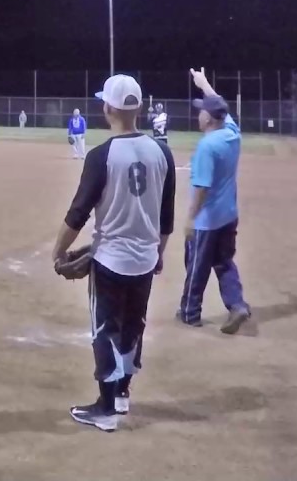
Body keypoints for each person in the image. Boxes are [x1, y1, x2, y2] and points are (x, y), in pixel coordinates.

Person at [52, 74, 175, 432]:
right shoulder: (162, 152)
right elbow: (165, 218)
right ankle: (122, 394)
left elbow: (78, 213)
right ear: (138, 109)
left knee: (105, 329)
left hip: (109, 260)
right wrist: (159, 253)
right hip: (145, 259)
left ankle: (105, 409)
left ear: (108, 109)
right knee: (133, 325)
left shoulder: (101, 155)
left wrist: (58, 252)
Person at [177, 67, 251, 334]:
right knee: (224, 262)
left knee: (197, 266)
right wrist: (204, 83)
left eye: (201, 110)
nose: (199, 113)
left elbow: (201, 189)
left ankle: (190, 313)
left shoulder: (207, 147)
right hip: (228, 215)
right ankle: (237, 305)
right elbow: (220, 104)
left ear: (209, 117)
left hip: (207, 220)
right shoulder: (232, 132)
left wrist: (189, 220)